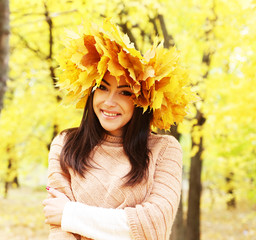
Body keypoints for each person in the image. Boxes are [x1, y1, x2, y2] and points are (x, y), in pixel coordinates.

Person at [42, 18, 195, 240]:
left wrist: (70, 213)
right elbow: (58, 229)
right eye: (102, 88)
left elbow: (154, 226)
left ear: (142, 100)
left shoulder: (164, 150)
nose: (109, 102)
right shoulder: (65, 145)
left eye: (125, 92)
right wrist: (123, 225)